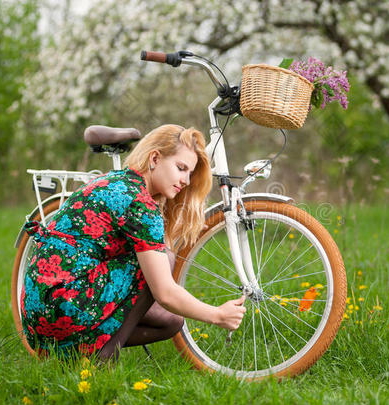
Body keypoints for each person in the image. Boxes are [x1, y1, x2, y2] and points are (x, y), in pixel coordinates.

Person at [20, 124, 246, 360]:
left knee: (171, 321)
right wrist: (217, 314)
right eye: (181, 168)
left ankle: (77, 353)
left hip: (38, 312)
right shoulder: (140, 205)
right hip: (64, 305)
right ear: (155, 158)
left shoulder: (117, 181)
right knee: (159, 262)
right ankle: (103, 358)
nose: (186, 181)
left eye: (189, 173)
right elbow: (165, 294)